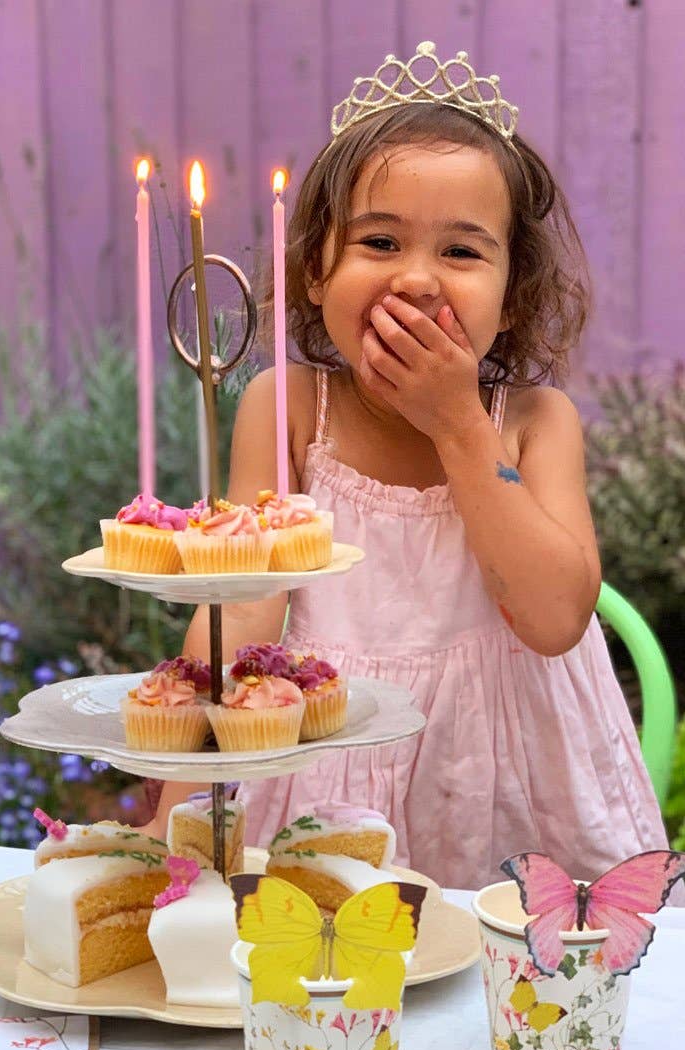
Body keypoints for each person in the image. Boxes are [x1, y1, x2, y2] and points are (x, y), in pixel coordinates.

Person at [143, 44, 669, 890]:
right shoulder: (288, 408)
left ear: (512, 296)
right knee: (324, 951)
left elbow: (551, 620)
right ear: (316, 273)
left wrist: (458, 423)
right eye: (380, 241)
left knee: (508, 966)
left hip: (512, 787)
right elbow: (239, 614)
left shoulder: (534, 423)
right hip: (337, 766)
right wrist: (177, 809)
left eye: (461, 252)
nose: (417, 279)